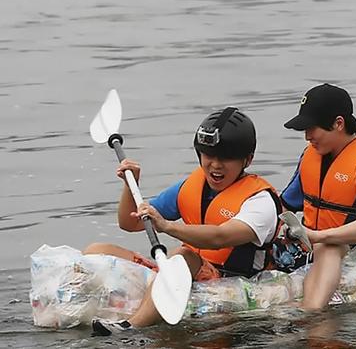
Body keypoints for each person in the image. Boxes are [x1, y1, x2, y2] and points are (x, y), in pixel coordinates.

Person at [85, 107, 281, 335]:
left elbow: (221, 237)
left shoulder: (260, 200)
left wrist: (167, 226)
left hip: (233, 282)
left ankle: (132, 326)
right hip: (186, 272)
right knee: (96, 250)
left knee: (183, 254)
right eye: (209, 155)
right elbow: (131, 223)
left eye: (226, 157)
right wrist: (131, 186)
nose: (215, 165)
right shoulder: (191, 187)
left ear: (247, 160)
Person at [281, 83, 356, 310]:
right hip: (310, 242)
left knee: (329, 247)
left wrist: (318, 236)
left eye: (312, 129)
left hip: (348, 247)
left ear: (338, 123)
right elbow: (284, 204)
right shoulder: (310, 156)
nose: (307, 137)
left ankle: (310, 312)